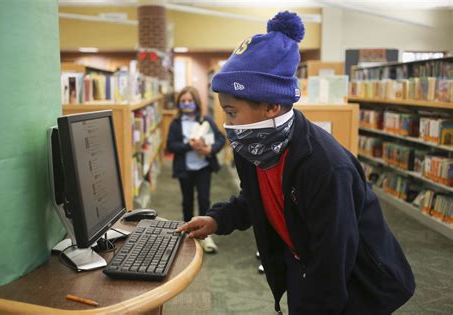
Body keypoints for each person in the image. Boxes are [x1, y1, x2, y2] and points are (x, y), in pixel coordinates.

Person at [176, 11, 415, 314]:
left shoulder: (326, 167)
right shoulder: (253, 144)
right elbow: (256, 198)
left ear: (272, 106)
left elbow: (333, 260)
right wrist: (218, 219)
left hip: (361, 282)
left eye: (232, 112)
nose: (227, 123)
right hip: (304, 263)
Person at [167, 86, 225, 253]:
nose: (187, 104)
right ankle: (188, 231)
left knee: (204, 199)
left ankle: (206, 235)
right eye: (183, 101)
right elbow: (171, 146)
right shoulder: (176, 123)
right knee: (187, 200)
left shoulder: (205, 120)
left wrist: (210, 149)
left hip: (203, 167)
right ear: (179, 104)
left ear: (196, 102)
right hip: (185, 169)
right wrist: (188, 146)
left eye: (190, 101)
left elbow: (221, 139)